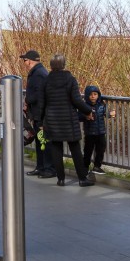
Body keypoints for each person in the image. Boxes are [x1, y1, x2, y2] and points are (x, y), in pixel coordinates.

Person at [40, 53, 95, 187]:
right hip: (69, 120)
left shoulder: (46, 81)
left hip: (52, 120)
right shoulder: (70, 79)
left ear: (51, 66)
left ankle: (61, 179)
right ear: (64, 65)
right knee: (75, 149)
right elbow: (77, 100)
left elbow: (42, 103)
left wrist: (40, 121)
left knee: (56, 149)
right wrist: (88, 111)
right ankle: (82, 178)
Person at [21, 50, 53, 178]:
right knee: (40, 142)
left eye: (24, 60)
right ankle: (41, 167)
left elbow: (40, 96)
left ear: (30, 61)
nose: (24, 63)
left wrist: (28, 100)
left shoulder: (39, 74)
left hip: (41, 114)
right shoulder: (38, 72)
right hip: (38, 113)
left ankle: (49, 168)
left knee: (44, 141)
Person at [81, 85, 114, 174]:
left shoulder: (101, 105)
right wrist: (85, 117)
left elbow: (105, 113)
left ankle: (97, 166)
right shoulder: (84, 106)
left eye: (95, 94)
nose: (93, 96)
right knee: (88, 150)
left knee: (101, 149)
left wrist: (110, 114)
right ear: (87, 95)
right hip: (90, 133)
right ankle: (85, 167)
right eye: (91, 94)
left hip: (101, 132)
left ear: (98, 95)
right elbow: (79, 116)